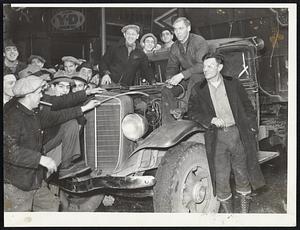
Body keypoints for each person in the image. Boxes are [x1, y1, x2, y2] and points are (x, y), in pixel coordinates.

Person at [4, 76, 101, 211]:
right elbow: (10, 152)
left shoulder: (33, 113)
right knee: (20, 218)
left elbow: (59, 116)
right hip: (16, 183)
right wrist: (40, 159)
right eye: (39, 93)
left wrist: (83, 109)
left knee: (52, 207)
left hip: (34, 179)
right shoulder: (11, 117)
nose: (42, 96)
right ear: (28, 95)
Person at [188, 52, 266, 213]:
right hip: (217, 138)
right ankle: (229, 218)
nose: (205, 69)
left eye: (210, 66)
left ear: (219, 67)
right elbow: (192, 112)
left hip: (238, 135)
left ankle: (244, 216)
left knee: (243, 175)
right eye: (204, 66)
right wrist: (211, 119)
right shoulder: (199, 89)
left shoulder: (233, 84)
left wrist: (251, 129)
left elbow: (248, 107)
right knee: (222, 180)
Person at [161, 17, 209, 124]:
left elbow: (202, 65)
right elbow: (171, 68)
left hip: (203, 78)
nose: (178, 32)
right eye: (175, 29)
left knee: (195, 78)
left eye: (181, 28)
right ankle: (169, 125)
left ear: (189, 28)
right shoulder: (175, 47)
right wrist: (169, 80)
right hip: (187, 78)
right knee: (166, 90)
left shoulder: (199, 41)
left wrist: (181, 75)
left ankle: (182, 108)